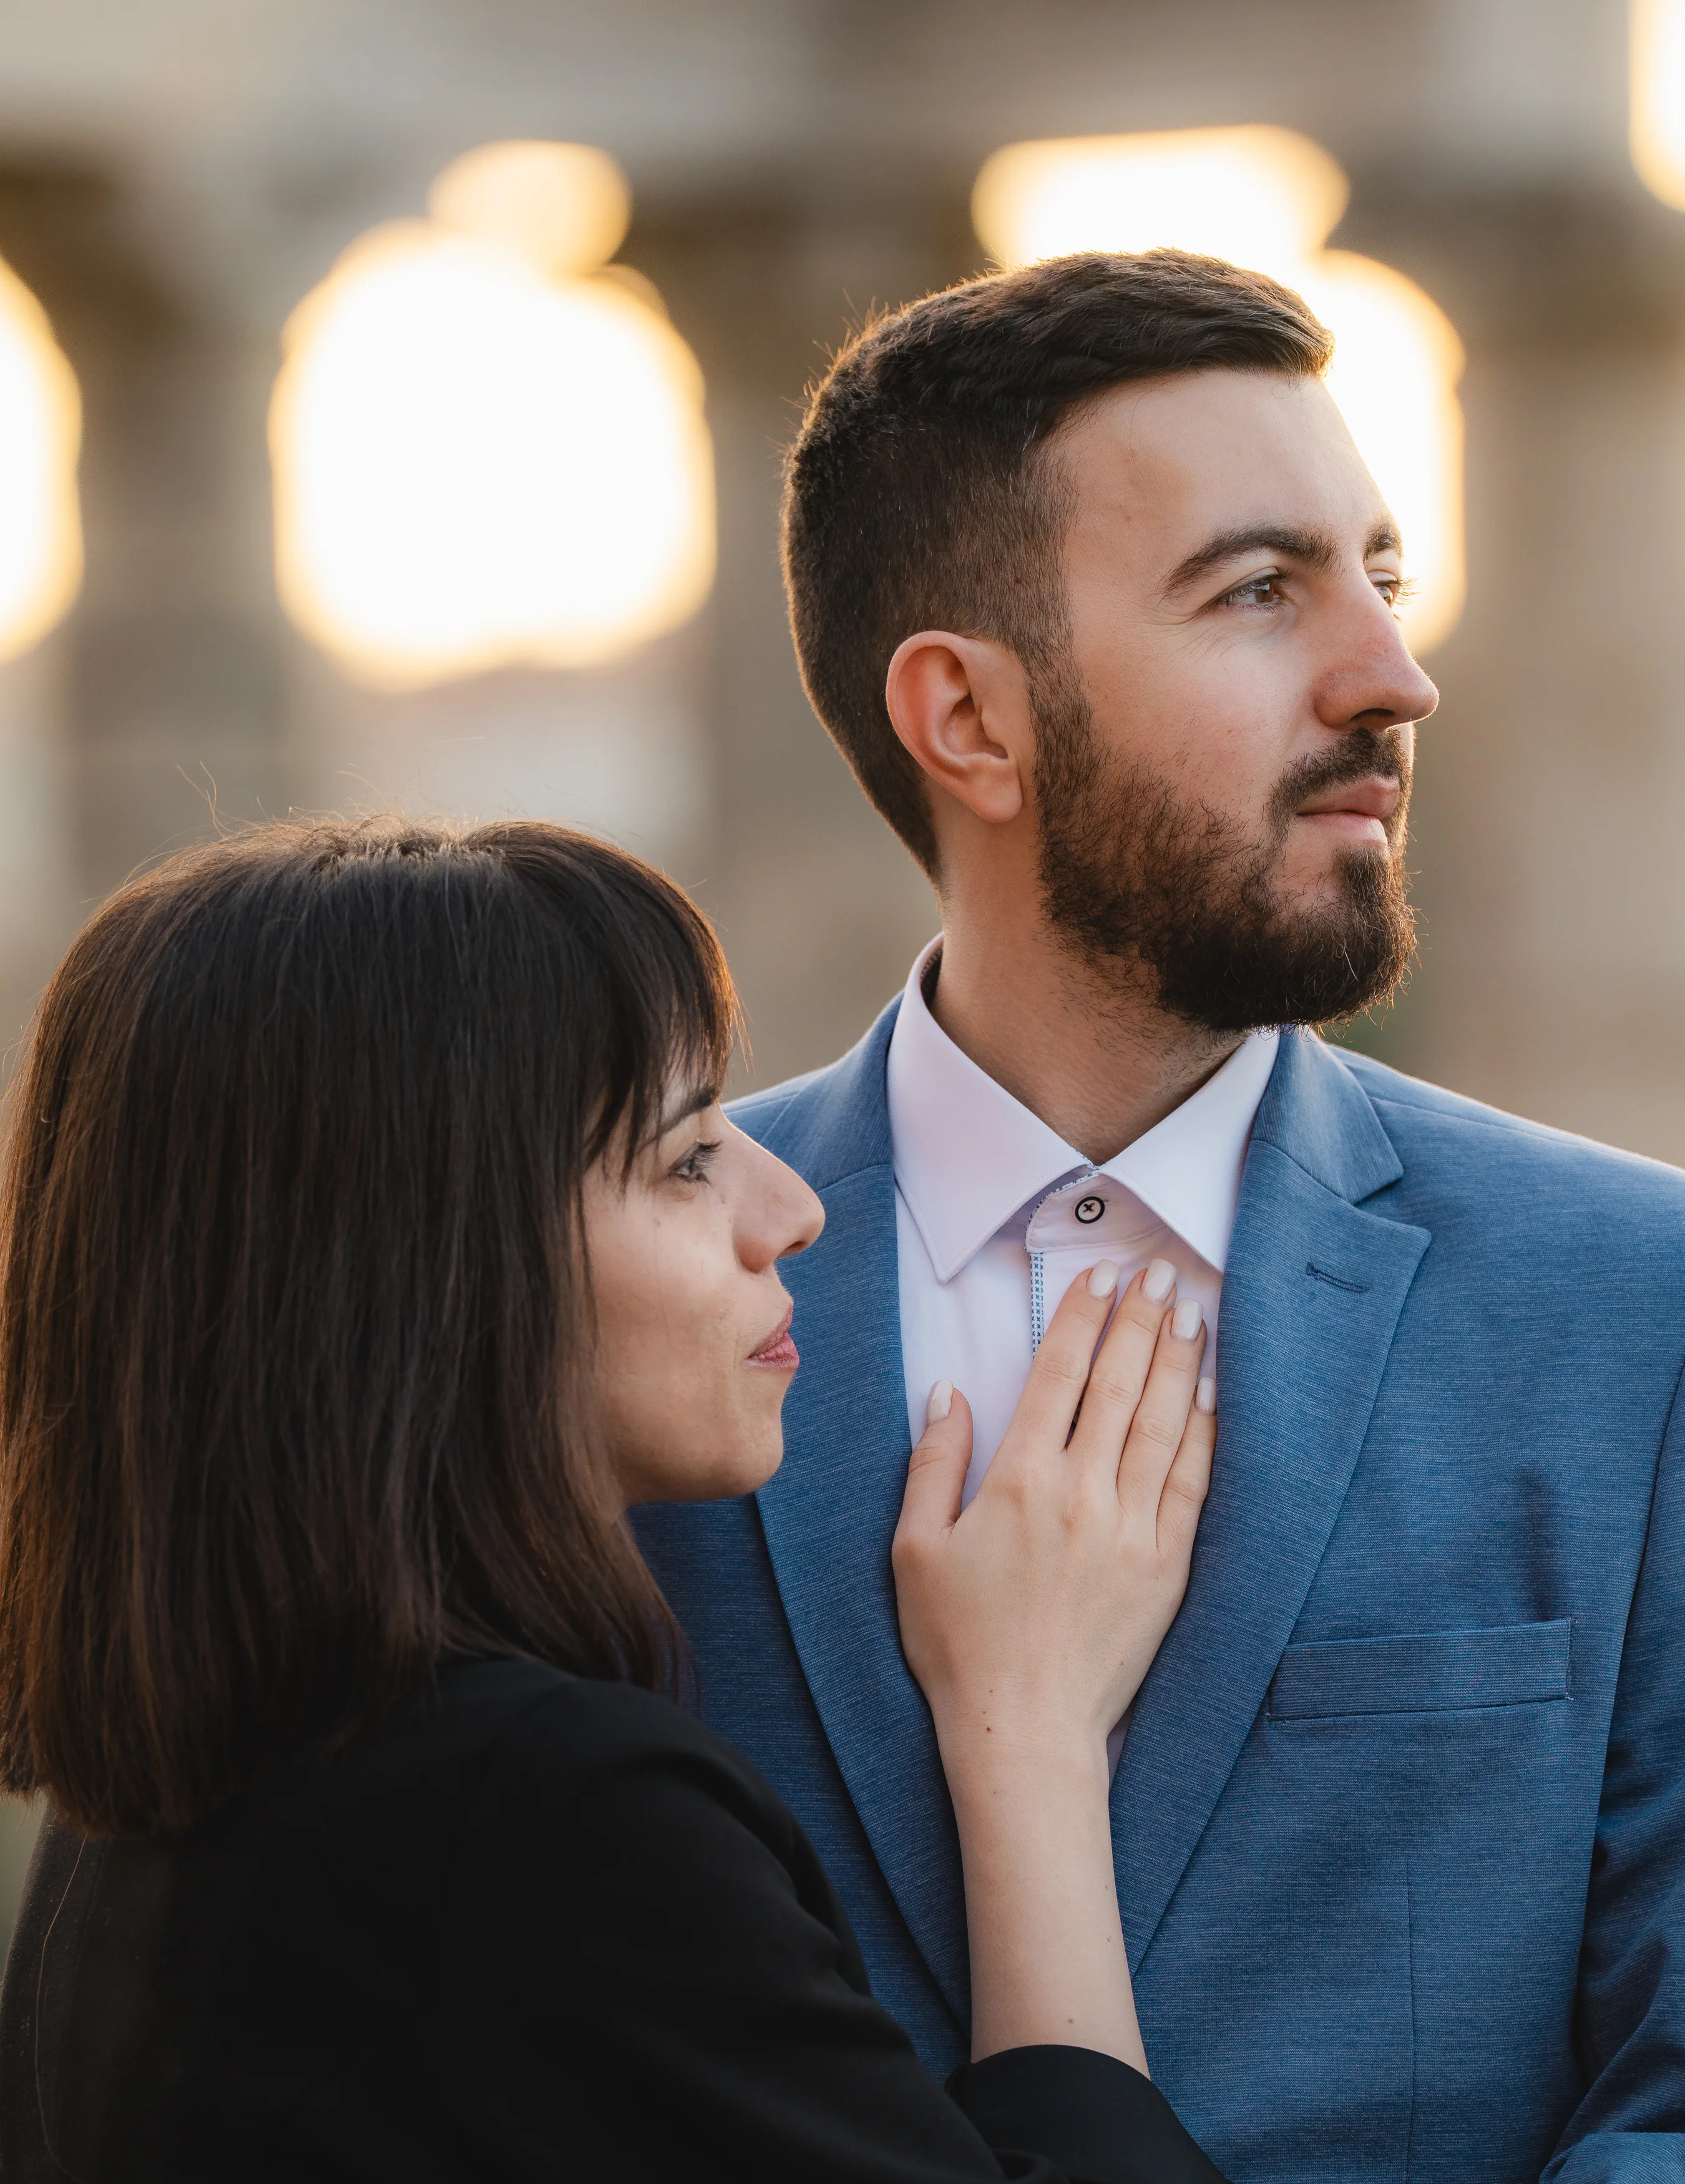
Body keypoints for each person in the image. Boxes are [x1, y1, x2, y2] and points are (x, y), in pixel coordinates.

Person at [634, 248, 1685, 2179]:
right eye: (1258, 591)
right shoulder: (606, 1307)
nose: (1392, 676)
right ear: (968, 718)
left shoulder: (1661, 1310)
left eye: (1382, 577)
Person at [0, 819, 1229, 2182]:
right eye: (686, 1158)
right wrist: (1030, 1739)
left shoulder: (137, 1828)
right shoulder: (546, 1823)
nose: (792, 1207)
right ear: (434, 1265)